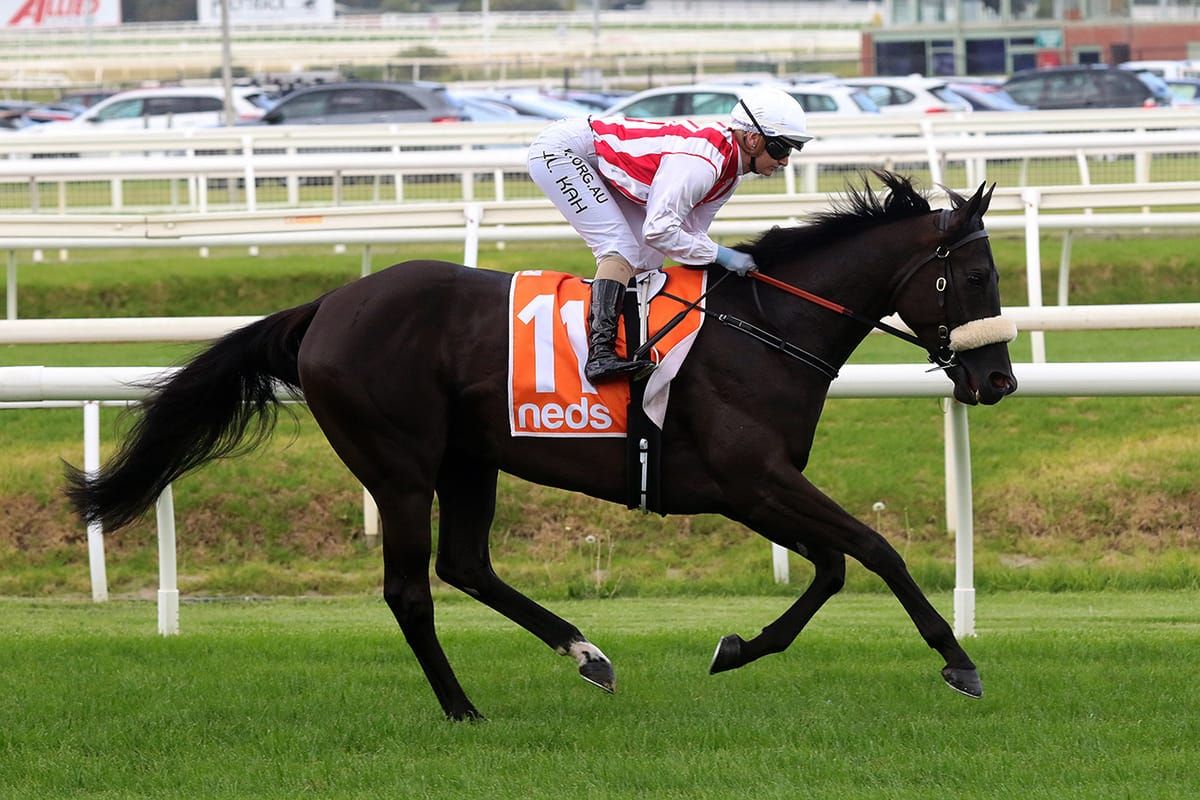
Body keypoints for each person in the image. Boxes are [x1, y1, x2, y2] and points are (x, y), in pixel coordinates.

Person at [526, 85, 812, 384]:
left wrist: (730, 259)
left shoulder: (728, 176)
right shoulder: (702, 164)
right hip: (562, 150)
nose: (784, 161)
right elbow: (660, 230)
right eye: (781, 148)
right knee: (620, 248)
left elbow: (689, 236)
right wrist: (724, 255)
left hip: (592, 152)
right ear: (752, 139)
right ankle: (600, 354)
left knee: (648, 257)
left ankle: (633, 343)